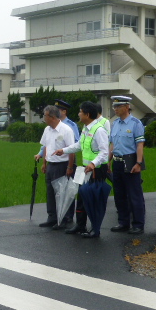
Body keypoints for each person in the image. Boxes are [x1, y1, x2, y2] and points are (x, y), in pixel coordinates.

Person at [53, 101, 109, 238]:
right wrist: (64, 150)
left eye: (80, 111)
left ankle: (95, 228)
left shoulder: (99, 130)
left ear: (87, 114)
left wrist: (93, 164)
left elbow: (104, 152)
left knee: (93, 199)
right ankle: (80, 225)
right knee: (82, 197)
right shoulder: (85, 128)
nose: (78, 114)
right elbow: (79, 145)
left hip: (96, 170)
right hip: (84, 169)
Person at [35, 99, 80, 229]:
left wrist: (70, 167)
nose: (43, 118)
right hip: (51, 165)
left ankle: (64, 219)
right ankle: (52, 217)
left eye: (45, 115)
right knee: (50, 192)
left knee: (62, 193)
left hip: (63, 165)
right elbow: (46, 147)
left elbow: (71, 150)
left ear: (52, 117)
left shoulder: (66, 129)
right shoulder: (47, 130)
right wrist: (44, 163)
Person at [108, 96, 145, 235]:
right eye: (114, 107)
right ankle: (123, 222)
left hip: (130, 161)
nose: (115, 109)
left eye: (118, 106)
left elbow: (140, 144)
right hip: (117, 162)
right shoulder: (115, 123)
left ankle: (138, 224)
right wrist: (109, 160)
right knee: (119, 194)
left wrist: (138, 163)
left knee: (134, 194)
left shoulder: (136, 123)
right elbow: (112, 144)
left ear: (127, 107)